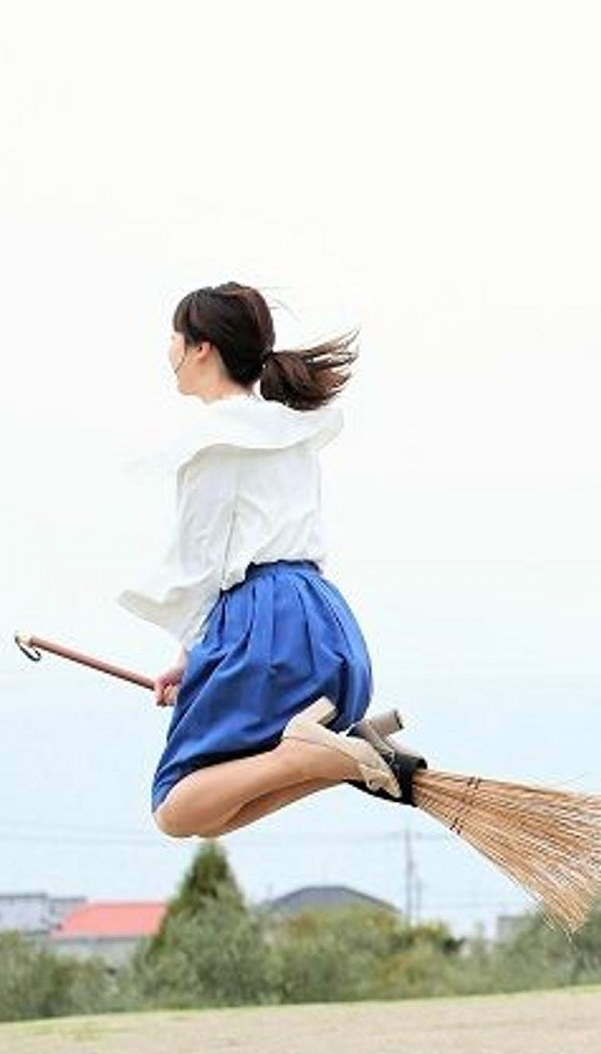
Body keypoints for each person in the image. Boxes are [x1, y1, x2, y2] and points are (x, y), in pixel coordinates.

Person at [120, 282, 409, 839]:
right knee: (214, 809)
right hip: (326, 628)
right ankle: (343, 757)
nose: (169, 351)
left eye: (175, 338)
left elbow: (201, 563)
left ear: (201, 347)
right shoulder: (289, 428)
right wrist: (193, 660)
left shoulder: (210, 438)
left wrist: (193, 650)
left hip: (263, 629)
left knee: (177, 805)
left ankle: (313, 754)